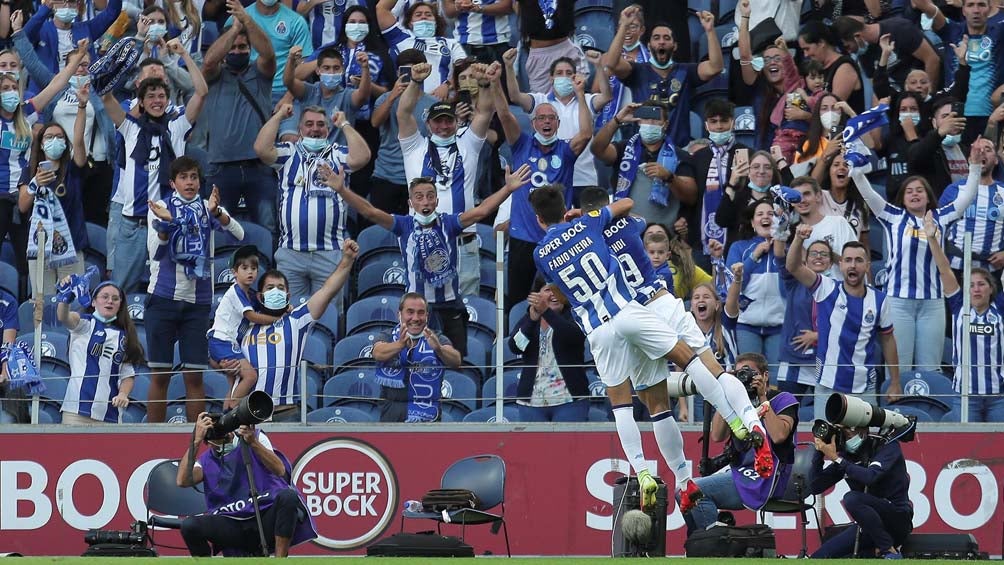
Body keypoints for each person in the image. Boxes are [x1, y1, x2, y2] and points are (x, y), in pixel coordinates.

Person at [531, 185, 771, 511]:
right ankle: (741, 423)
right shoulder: (615, 224)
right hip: (646, 308)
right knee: (697, 363)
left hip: (602, 329)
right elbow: (635, 213)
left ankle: (663, 477)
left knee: (643, 406)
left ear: (539, 219)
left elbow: (558, 287)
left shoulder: (545, 251)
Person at [321, 157, 530, 356]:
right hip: (417, 309)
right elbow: (370, 212)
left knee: (454, 362)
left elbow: (481, 211)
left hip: (449, 306)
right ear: (411, 202)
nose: (425, 201)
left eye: (430, 196)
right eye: (419, 197)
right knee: (416, 359)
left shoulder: (448, 223)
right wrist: (341, 189)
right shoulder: (404, 225)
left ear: (437, 200)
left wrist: (508, 189)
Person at [851, 144, 980, 373]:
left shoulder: (942, 216)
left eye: (919, 190)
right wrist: (857, 172)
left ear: (928, 197)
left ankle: (926, 408)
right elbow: (868, 194)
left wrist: (976, 166)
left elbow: (968, 196)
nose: (914, 193)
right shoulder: (893, 216)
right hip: (898, 302)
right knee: (899, 368)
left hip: (933, 303)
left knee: (929, 368)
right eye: (909, 190)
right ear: (903, 197)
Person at [102, 40, 208, 295]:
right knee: (120, 291)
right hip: (134, 223)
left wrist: (183, 54)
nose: (157, 101)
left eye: (161, 96)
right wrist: (117, 63)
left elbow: (202, 92)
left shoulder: (178, 125)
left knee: (170, 291)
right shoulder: (130, 127)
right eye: (151, 96)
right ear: (141, 101)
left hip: (171, 222)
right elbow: (105, 96)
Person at [145, 157, 244, 423]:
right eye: (184, 177)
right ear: (172, 182)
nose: (189, 182)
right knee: (160, 376)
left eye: (194, 177)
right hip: (163, 297)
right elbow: (155, 252)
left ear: (200, 181)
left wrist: (217, 213)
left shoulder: (206, 208)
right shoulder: (161, 207)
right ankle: (151, 440)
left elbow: (239, 235)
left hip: (198, 302)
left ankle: (195, 439)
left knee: (194, 376)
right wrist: (166, 226)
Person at [491, 59, 590, 308]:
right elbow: (503, 114)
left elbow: (587, 134)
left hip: (555, 237)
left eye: (551, 118)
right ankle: (518, 343)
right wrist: (494, 82)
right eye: (541, 118)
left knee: (559, 299)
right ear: (533, 123)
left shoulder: (566, 151)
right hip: (523, 236)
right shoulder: (521, 144)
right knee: (518, 300)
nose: (546, 122)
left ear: (558, 123)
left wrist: (579, 94)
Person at [253, 103, 370, 299]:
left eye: (320, 124)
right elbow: (261, 148)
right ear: (300, 128)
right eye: (309, 124)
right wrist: (279, 116)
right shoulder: (288, 153)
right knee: (289, 314)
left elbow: (363, 156)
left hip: (330, 253)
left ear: (327, 129)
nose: (315, 129)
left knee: (328, 318)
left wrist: (344, 124)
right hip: (291, 253)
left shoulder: (337, 154)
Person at [397, 61, 494, 298]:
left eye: (448, 120)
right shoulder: (414, 147)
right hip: (424, 241)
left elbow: (485, 112)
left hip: (463, 242)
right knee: (423, 305)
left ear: (456, 122)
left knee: (467, 308)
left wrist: (483, 83)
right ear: (428, 124)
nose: (443, 125)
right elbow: (403, 113)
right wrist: (416, 82)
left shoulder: (468, 144)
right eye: (437, 121)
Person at [233, 240, 358, 422]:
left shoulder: (296, 320)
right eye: (270, 288)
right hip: (246, 413)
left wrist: (347, 260)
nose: (276, 291)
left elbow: (327, 290)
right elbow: (216, 355)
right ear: (259, 297)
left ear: (288, 296)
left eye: (281, 288)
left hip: (285, 413)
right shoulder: (242, 324)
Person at [786, 224, 902, 419]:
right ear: (840, 265)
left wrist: (895, 382)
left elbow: (888, 340)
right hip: (827, 386)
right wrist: (798, 238)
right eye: (847, 260)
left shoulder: (880, 300)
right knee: (825, 445)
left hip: (864, 386)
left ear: (867, 265)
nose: (853, 265)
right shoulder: (826, 288)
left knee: (865, 445)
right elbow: (793, 267)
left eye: (858, 260)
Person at [0, 39, 85, 302]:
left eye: (14, 87)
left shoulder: (27, 114)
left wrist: (76, 59)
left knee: (31, 263)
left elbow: (57, 85)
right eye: (5, 88)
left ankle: (29, 315)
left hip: (25, 197)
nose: (11, 92)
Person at [679, 353, 798, 527]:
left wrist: (763, 397)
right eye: (739, 373)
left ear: (765, 375)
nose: (745, 377)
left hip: (768, 476)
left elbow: (779, 436)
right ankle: (701, 543)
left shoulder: (783, 399)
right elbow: (717, 435)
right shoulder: (738, 400)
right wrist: (726, 393)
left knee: (694, 491)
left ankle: (714, 544)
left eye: (750, 372)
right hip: (740, 471)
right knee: (681, 492)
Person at [178, 415, 317, 557]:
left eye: (223, 429)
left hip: (263, 514)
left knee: (289, 496)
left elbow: (280, 470)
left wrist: (253, 443)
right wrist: (195, 440)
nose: (223, 435)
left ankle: (279, 561)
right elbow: (182, 481)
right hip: (232, 522)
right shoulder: (205, 460)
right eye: (214, 434)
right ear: (207, 443)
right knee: (189, 526)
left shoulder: (254, 437)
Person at [199, 0, 278, 239]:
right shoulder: (214, 75)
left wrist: (246, 20)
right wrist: (233, 30)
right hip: (221, 167)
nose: (237, 51)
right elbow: (209, 61)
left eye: (242, 47)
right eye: (232, 47)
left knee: (267, 229)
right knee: (216, 230)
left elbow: (268, 53)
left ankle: (267, 275)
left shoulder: (261, 72)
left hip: (259, 166)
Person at [604, 6, 723, 148]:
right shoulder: (637, 71)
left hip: (679, 151)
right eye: (656, 38)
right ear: (649, 46)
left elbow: (715, 67)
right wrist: (623, 26)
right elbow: (611, 63)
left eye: (667, 38)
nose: (661, 42)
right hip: (642, 150)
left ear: (675, 46)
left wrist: (710, 31)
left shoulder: (686, 71)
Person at [926, 212, 1004, 422]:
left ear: (991, 288)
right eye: (971, 284)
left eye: (981, 284)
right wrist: (932, 239)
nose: (976, 289)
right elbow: (944, 269)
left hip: (998, 395)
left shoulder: (1000, 310)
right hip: (966, 395)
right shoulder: (959, 305)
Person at [504, 51, 610, 199]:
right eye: (559, 73)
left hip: (584, 179)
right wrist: (509, 67)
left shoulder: (586, 99)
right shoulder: (540, 100)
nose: (564, 77)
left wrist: (599, 66)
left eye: (569, 73)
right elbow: (515, 96)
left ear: (575, 77)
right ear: (551, 77)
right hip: (551, 178)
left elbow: (606, 96)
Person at [591, 102, 697, 237]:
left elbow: (691, 197)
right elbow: (597, 149)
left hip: (664, 236)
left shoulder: (680, 156)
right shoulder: (624, 149)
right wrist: (617, 120)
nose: (651, 123)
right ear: (639, 121)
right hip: (627, 232)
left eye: (656, 119)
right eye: (646, 118)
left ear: (666, 124)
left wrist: (669, 177)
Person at [810, 424, 913, 558]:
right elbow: (816, 487)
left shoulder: (886, 446)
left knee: (852, 498)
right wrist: (819, 453)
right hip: (868, 526)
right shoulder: (846, 456)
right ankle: (874, 553)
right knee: (819, 557)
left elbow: (870, 477)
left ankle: (888, 550)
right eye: (840, 432)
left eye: (847, 430)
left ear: (863, 429)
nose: (844, 436)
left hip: (897, 518)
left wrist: (836, 459)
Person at [56, 280, 145, 424]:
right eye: (105, 297)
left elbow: (127, 375)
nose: (110, 301)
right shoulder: (84, 325)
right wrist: (65, 299)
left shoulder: (125, 337)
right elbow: (63, 317)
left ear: (120, 305)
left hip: (110, 415)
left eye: (115, 299)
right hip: (76, 410)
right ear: (93, 302)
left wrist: (123, 394)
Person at [19, 117, 89, 297]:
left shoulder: (74, 168)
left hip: (71, 246)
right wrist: (35, 183)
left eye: (59, 137)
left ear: (66, 143)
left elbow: (79, 140)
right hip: (40, 247)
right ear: (41, 144)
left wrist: (81, 107)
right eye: (49, 137)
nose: (55, 140)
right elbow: (22, 206)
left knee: (73, 304)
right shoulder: (30, 170)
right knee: (43, 305)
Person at [372, 292, 462, 422]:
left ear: (427, 316)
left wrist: (439, 349)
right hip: (392, 411)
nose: (415, 318)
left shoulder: (436, 337)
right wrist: (400, 345)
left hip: (428, 413)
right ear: (399, 314)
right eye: (410, 312)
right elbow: (378, 353)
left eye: (420, 312)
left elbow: (456, 361)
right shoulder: (387, 336)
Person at [369, 49, 438, 219]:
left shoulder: (434, 104)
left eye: (416, 70)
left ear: (425, 72)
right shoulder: (385, 98)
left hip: (420, 178)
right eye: (406, 71)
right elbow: (375, 123)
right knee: (381, 234)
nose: (411, 75)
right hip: (386, 174)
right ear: (398, 72)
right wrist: (392, 96)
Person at [509, 280, 589, 422]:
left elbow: (574, 336)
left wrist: (546, 312)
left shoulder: (575, 317)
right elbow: (516, 347)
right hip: (531, 403)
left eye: (558, 289)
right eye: (548, 290)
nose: (553, 294)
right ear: (536, 295)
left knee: (568, 445)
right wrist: (532, 321)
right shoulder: (528, 320)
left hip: (570, 401)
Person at [211, 246, 280, 408]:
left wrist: (284, 307)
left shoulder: (250, 294)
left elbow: (263, 306)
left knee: (235, 383)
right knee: (250, 376)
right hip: (223, 340)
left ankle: (226, 413)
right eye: (244, 268)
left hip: (227, 342)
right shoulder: (236, 291)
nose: (250, 272)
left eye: (254, 268)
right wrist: (277, 318)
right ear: (234, 272)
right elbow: (252, 316)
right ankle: (234, 409)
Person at [725, 200, 785, 373]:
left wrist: (780, 249)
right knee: (748, 379)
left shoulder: (786, 250)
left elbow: (791, 284)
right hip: (746, 324)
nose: (765, 217)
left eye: (771, 214)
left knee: (774, 383)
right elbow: (732, 286)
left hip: (779, 326)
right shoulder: (739, 247)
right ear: (752, 222)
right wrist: (754, 256)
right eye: (760, 214)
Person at [776, 237, 833, 399]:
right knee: (786, 413)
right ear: (805, 261)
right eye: (814, 253)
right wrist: (785, 232)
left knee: (826, 417)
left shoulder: (839, 288)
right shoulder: (793, 282)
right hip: (794, 359)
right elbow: (780, 256)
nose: (819, 257)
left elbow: (847, 325)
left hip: (826, 361)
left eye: (824, 254)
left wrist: (818, 336)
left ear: (831, 263)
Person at [280, 45, 370, 145]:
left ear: (342, 70)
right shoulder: (309, 91)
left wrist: (365, 68)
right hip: (308, 156)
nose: (331, 72)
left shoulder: (347, 96)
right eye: (326, 68)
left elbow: (363, 95)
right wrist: (291, 59)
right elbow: (288, 81)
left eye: (336, 68)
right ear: (318, 70)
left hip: (337, 157)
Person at [376, 0, 466, 100]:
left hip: (443, 104)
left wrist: (447, 85)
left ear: (436, 22)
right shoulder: (400, 39)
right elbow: (381, 9)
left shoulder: (451, 44)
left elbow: (463, 67)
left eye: (428, 15)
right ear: (410, 23)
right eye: (418, 15)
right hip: (406, 104)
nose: (423, 17)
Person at [20, 0, 123, 73]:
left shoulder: (87, 28)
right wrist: (46, 8)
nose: (67, 5)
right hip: (49, 92)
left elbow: (112, 12)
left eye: (71, 1)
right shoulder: (41, 30)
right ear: (54, 4)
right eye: (62, 1)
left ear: (77, 5)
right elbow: (24, 36)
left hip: (83, 90)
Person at [797, 22, 864, 113]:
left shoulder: (844, 68)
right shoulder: (820, 68)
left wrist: (805, 116)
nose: (806, 54)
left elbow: (832, 111)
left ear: (821, 43)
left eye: (807, 49)